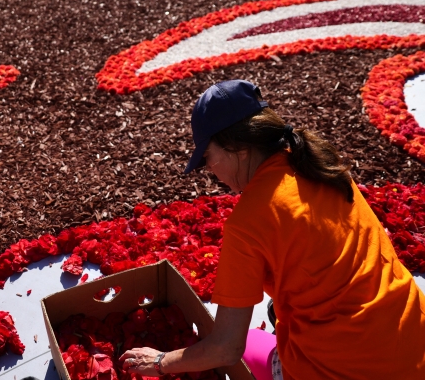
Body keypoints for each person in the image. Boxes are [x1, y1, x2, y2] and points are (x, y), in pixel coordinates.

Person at [119, 80, 425, 379]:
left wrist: (160, 361)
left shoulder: (250, 220)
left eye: (208, 159)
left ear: (236, 148)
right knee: (275, 312)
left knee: (250, 343)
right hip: (414, 341)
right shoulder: (319, 164)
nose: (212, 174)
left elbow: (226, 348)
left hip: (343, 368)